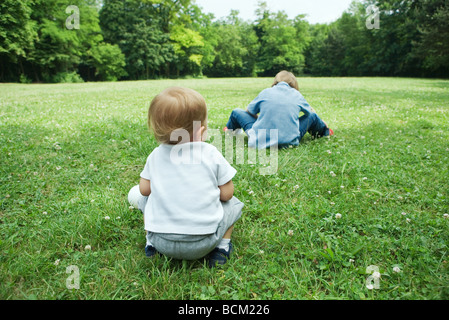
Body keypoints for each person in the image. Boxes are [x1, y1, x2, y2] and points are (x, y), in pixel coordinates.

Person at [128, 87, 243, 268]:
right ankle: (222, 248)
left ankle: (150, 245)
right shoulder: (210, 153)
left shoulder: (156, 155)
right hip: (204, 243)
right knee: (234, 204)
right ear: (201, 130)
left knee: (145, 198)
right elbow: (227, 194)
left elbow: (144, 190)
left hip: (161, 242)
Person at [224, 70, 334, 149]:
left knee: (236, 112)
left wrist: (260, 119)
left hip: (260, 140)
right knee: (313, 117)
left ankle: (230, 131)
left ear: (275, 81)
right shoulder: (296, 94)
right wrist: (322, 122)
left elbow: (249, 110)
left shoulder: (266, 92)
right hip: (289, 141)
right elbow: (311, 113)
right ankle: (325, 132)